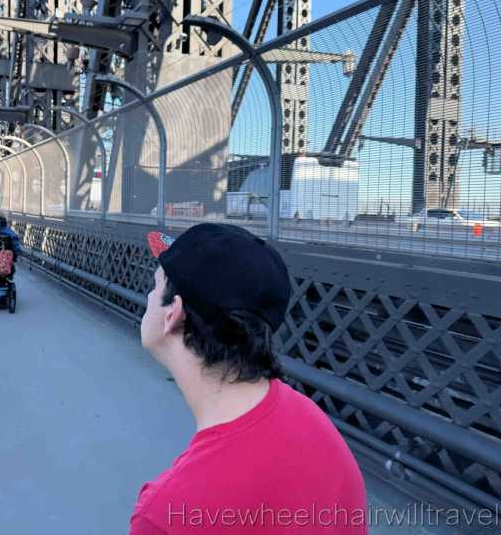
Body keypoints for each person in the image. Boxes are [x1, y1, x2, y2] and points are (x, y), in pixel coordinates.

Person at [130, 224, 367, 534]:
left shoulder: (166, 515)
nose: (149, 295)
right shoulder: (312, 421)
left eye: (156, 284)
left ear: (174, 314)